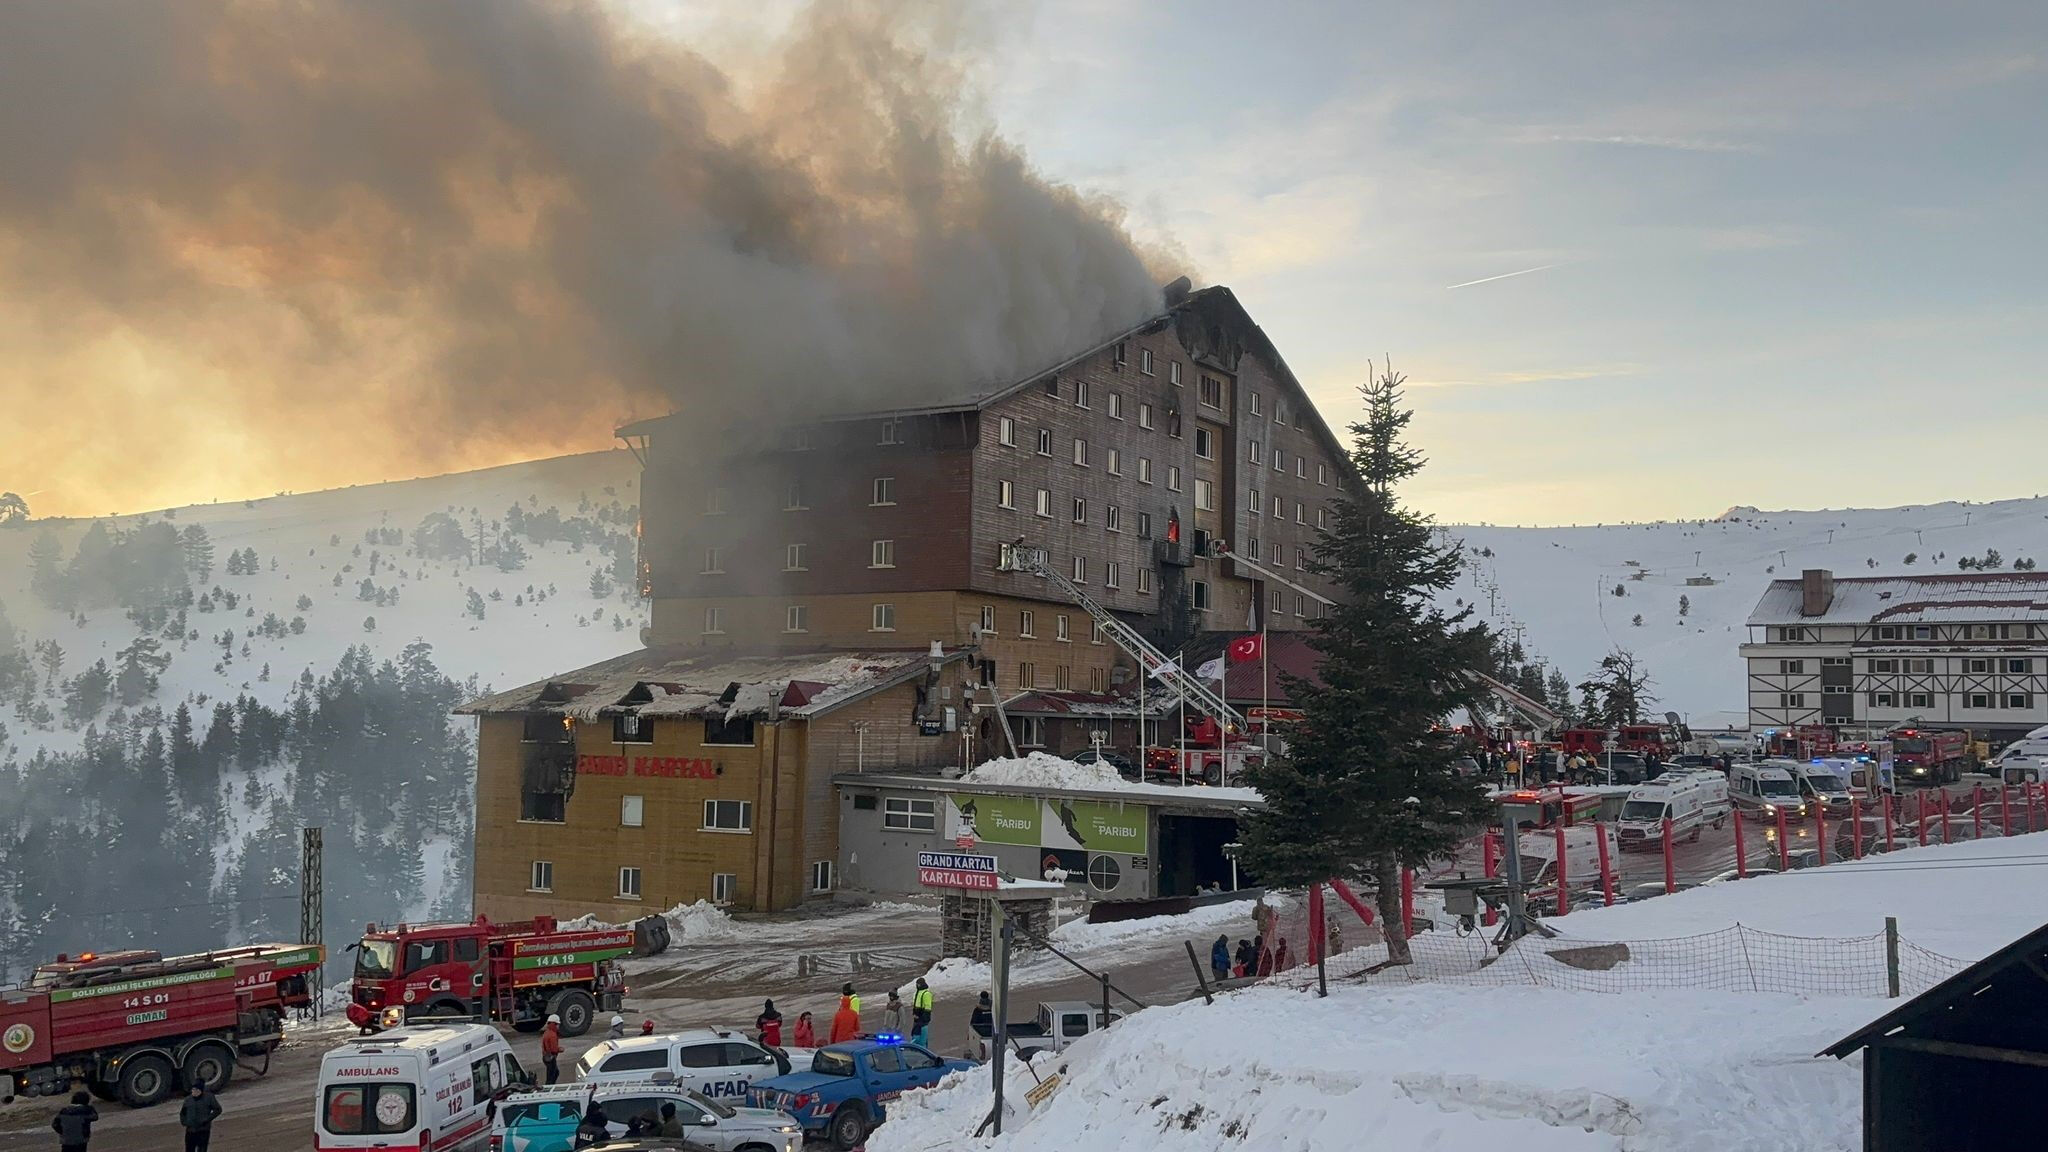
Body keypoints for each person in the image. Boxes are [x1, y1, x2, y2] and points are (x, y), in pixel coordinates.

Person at [178, 1082, 222, 1152]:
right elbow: (183, 1112)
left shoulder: (209, 1098)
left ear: (200, 1091)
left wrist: (207, 1119)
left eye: (195, 1090)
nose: (193, 1092)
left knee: (202, 1149)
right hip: (190, 1130)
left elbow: (218, 1109)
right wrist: (185, 1122)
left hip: (203, 1130)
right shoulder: (188, 1100)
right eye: (193, 1090)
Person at [968, 991, 993, 1060]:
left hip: (981, 1033)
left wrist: (970, 1033)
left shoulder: (978, 1010)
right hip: (991, 1032)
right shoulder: (993, 1009)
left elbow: (973, 1022)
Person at [540, 1013, 563, 1084]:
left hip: (546, 1056)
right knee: (553, 1075)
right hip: (550, 1057)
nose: (559, 1026)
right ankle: (549, 1088)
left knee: (553, 1073)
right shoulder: (552, 1035)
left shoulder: (547, 1032)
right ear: (554, 1024)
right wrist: (560, 1049)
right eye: (558, 1024)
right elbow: (554, 1049)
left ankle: (549, 1087)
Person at [911, 978, 934, 1045]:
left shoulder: (926, 994)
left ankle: (922, 1053)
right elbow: (915, 1004)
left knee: (921, 1040)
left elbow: (928, 1007)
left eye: (918, 984)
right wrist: (914, 1014)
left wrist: (924, 1018)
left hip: (922, 1020)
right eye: (917, 984)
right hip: (917, 1019)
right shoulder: (917, 993)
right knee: (916, 1037)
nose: (917, 985)